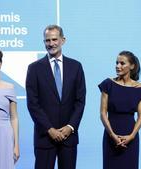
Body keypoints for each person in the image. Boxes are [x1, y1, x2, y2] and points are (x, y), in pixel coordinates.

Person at [26, 25, 86, 169]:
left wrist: (70, 127)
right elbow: (33, 104)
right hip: (45, 137)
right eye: (47, 40)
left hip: (69, 137)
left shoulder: (76, 66)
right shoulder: (34, 68)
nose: (51, 44)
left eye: (54, 39)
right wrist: (50, 129)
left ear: (63, 40)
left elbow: (80, 101)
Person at [98, 51, 141, 169]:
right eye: (116, 63)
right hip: (111, 136)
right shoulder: (108, 84)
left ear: (132, 66)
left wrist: (132, 136)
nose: (118, 66)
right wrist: (112, 135)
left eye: (122, 63)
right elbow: (103, 113)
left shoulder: (139, 88)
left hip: (131, 137)